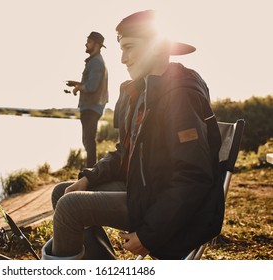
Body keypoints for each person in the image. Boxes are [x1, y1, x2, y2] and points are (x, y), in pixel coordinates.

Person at [42, 10, 223, 260]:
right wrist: (89, 178)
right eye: (120, 49)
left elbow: (192, 177)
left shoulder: (180, 94)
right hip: (145, 187)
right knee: (63, 192)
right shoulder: (140, 91)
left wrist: (149, 235)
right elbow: (125, 152)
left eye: (129, 48)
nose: (123, 59)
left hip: (166, 203)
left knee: (70, 207)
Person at [66, 31, 109, 168]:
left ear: (96, 45)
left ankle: (90, 172)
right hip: (92, 106)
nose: (86, 44)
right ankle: (91, 171)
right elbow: (91, 83)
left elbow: (91, 86)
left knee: (88, 141)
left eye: (89, 42)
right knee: (88, 141)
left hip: (91, 107)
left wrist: (78, 87)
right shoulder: (95, 61)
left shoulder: (96, 62)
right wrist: (77, 84)